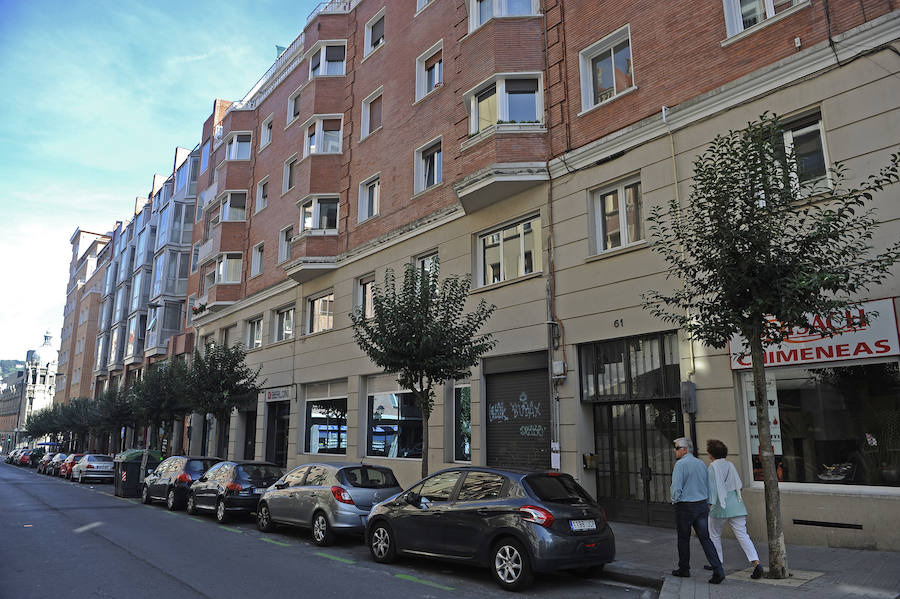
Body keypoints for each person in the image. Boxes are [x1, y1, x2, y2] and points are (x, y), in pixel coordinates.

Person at [706, 439, 764, 579]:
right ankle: (756, 563)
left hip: (720, 505)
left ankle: (717, 563)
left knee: (713, 534)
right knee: (743, 535)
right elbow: (739, 484)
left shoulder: (712, 467)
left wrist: (709, 504)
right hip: (737, 504)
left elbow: (712, 489)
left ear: (711, 454)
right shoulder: (730, 465)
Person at [670, 437, 725, 584]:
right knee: (705, 538)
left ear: (684, 450)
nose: (674, 451)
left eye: (676, 448)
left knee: (683, 538)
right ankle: (718, 569)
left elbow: (676, 487)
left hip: (685, 506)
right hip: (701, 505)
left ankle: (684, 569)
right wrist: (708, 502)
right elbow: (708, 485)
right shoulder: (701, 463)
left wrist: (675, 500)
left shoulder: (680, 465)